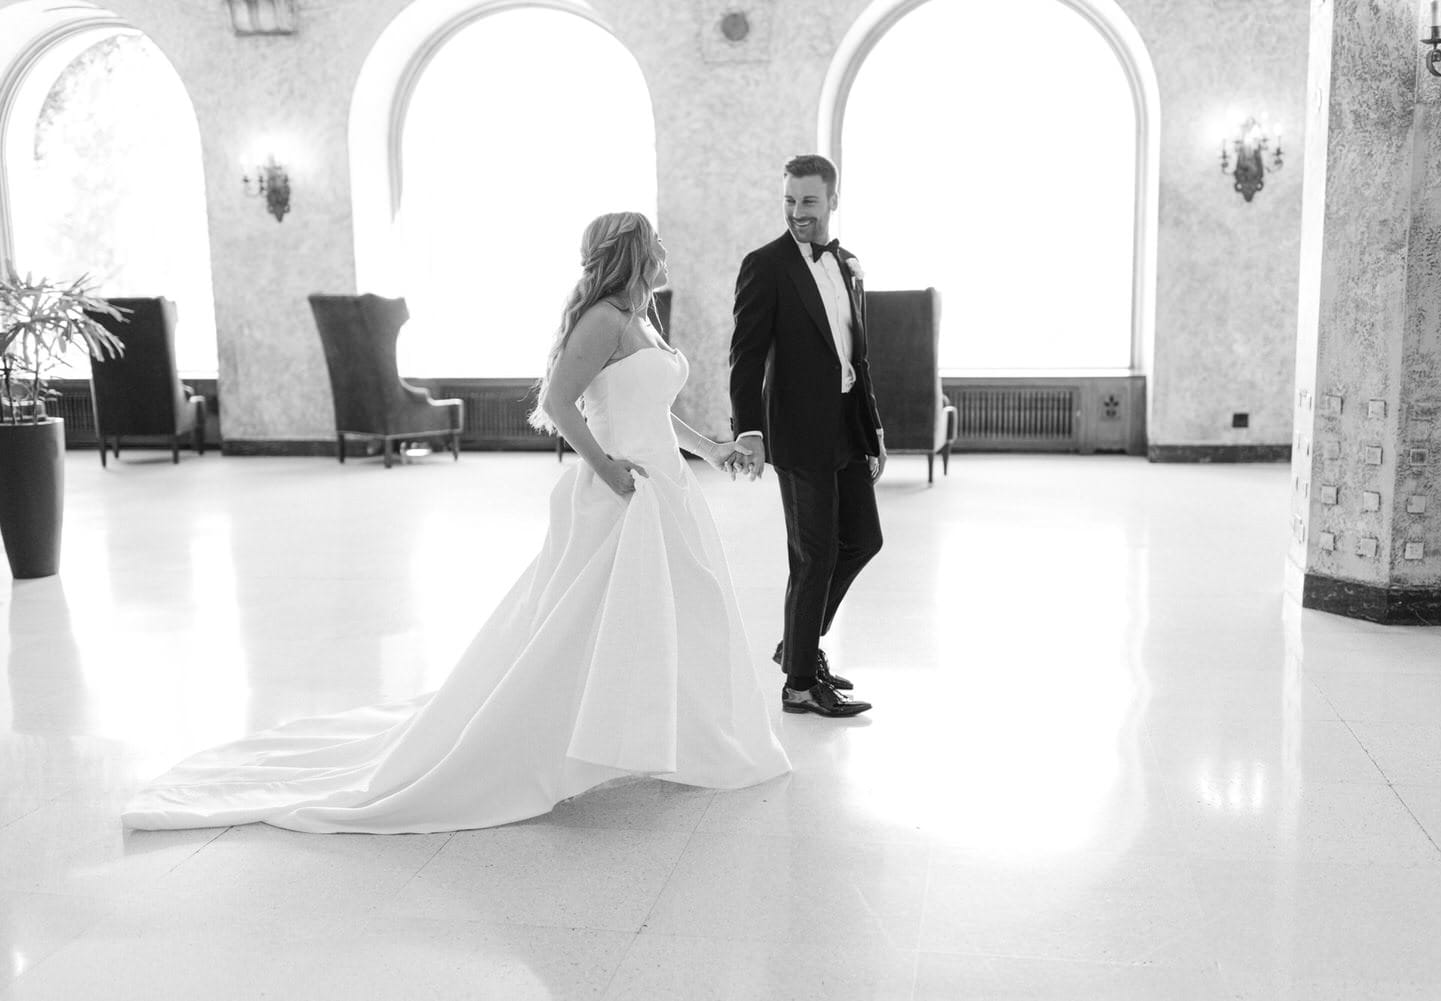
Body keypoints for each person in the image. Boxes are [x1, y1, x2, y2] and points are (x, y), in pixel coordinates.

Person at [123, 212, 790, 834]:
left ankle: (686, 737)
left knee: (680, 613)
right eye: (656, 244)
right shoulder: (604, 320)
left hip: (664, 491)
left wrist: (713, 446)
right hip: (621, 496)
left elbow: (655, 410)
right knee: (575, 624)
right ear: (633, 254)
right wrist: (608, 467)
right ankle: (550, 739)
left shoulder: (640, 320)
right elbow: (559, 401)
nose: (666, 252)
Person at [728, 154, 885, 720]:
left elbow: (856, 355)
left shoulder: (844, 264)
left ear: (832, 201)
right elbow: (744, 356)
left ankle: (796, 647)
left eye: (809, 201)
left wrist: (874, 430)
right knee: (813, 556)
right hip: (796, 431)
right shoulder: (765, 265)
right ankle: (798, 683)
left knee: (864, 539)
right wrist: (749, 431)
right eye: (790, 200)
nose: (797, 212)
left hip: (847, 425)